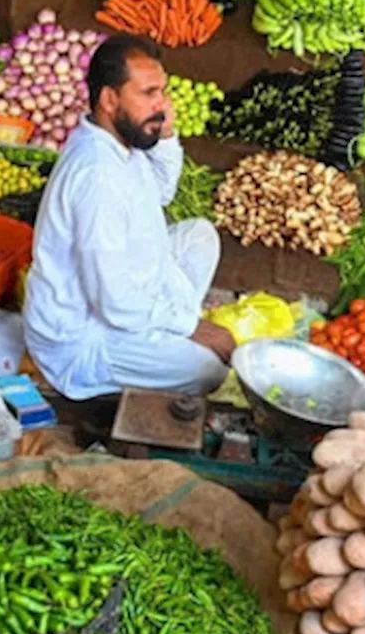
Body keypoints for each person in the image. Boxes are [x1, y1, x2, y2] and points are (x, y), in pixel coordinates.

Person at [23, 34, 233, 408]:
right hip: (84, 340)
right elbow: (114, 303)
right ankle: (167, 335)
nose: (162, 105)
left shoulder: (118, 139)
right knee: (209, 371)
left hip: (121, 289)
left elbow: (160, 193)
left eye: (162, 92)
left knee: (200, 236)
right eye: (149, 93)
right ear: (109, 99)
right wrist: (192, 326)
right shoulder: (97, 176)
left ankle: (164, 330)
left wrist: (165, 135)